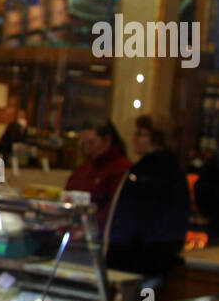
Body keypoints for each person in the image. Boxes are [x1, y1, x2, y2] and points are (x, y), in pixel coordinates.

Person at [105, 115, 190, 283]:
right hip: (152, 257)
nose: (135, 138)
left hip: (139, 258)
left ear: (157, 138)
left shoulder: (150, 173)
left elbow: (129, 218)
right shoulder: (169, 170)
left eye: (141, 134)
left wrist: (118, 251)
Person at [65, 119, 131, 230]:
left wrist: (90, 227)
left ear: (107, 141)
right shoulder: (85, 167)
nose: (87, 148)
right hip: (75, 227)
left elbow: (114, 210)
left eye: (91, 142)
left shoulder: (121, 169)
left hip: (97, 232)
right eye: (84, 143)